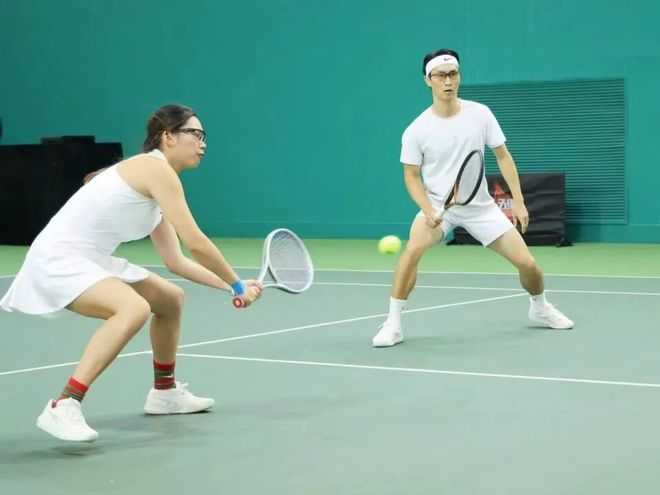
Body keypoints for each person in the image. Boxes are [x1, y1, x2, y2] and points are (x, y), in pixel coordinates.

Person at [0, 104, 262, 441]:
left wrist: (230, 286)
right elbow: (196, 242)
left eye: (203, 136)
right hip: (59, 259)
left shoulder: (156, 186)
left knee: (170, 299)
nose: (203, 143)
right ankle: (63, 404)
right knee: (132, 308)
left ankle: (165, 393)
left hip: (91, 259)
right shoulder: (155, 170)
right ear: (168, 136)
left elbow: (177, 261)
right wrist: (237, 284)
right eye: (195, 134)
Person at [373, 49, 573, 348]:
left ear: (459, 76)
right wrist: (426, 209)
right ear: (428, 80)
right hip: (438, 205)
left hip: (481, 208)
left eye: (453, 74)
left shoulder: (480, 114)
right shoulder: (416, 130)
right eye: (440, 76)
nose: (448, 81)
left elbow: (503, 156)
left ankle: (540, 307)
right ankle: (393, 323)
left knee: (528, 264)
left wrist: (518, 201)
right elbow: (411, 176)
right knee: (412, 251)